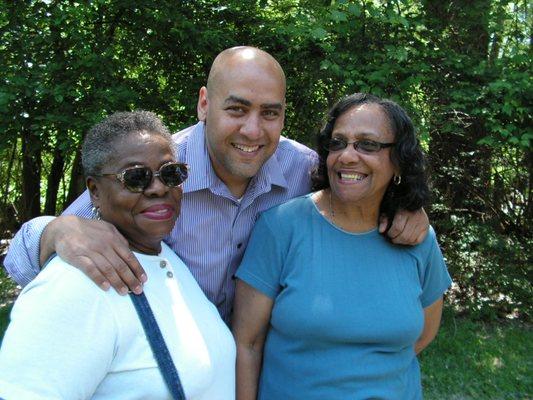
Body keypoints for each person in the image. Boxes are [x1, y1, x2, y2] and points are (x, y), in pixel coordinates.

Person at [4, 47, 429, 324]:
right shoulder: (158, 170)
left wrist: (406, 207)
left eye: (270, 113)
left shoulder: (305, 169)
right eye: (237, 109)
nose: (253, 130)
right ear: (205, 103)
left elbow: (362, 189)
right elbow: (22, 260)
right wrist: (56, 230)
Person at [0, 111, 235, 399]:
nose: (158, 188)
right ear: (95, 191)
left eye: (171, 173)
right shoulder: (73, 285)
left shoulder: (165, 258)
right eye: (136, 178)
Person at [233, 93, 452, 399]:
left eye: (368, 144)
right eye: (338, 143)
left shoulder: (416, 239)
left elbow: (423, 336)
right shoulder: (281, 227)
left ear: (399, 162)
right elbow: (247, 343)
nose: (347, 156)